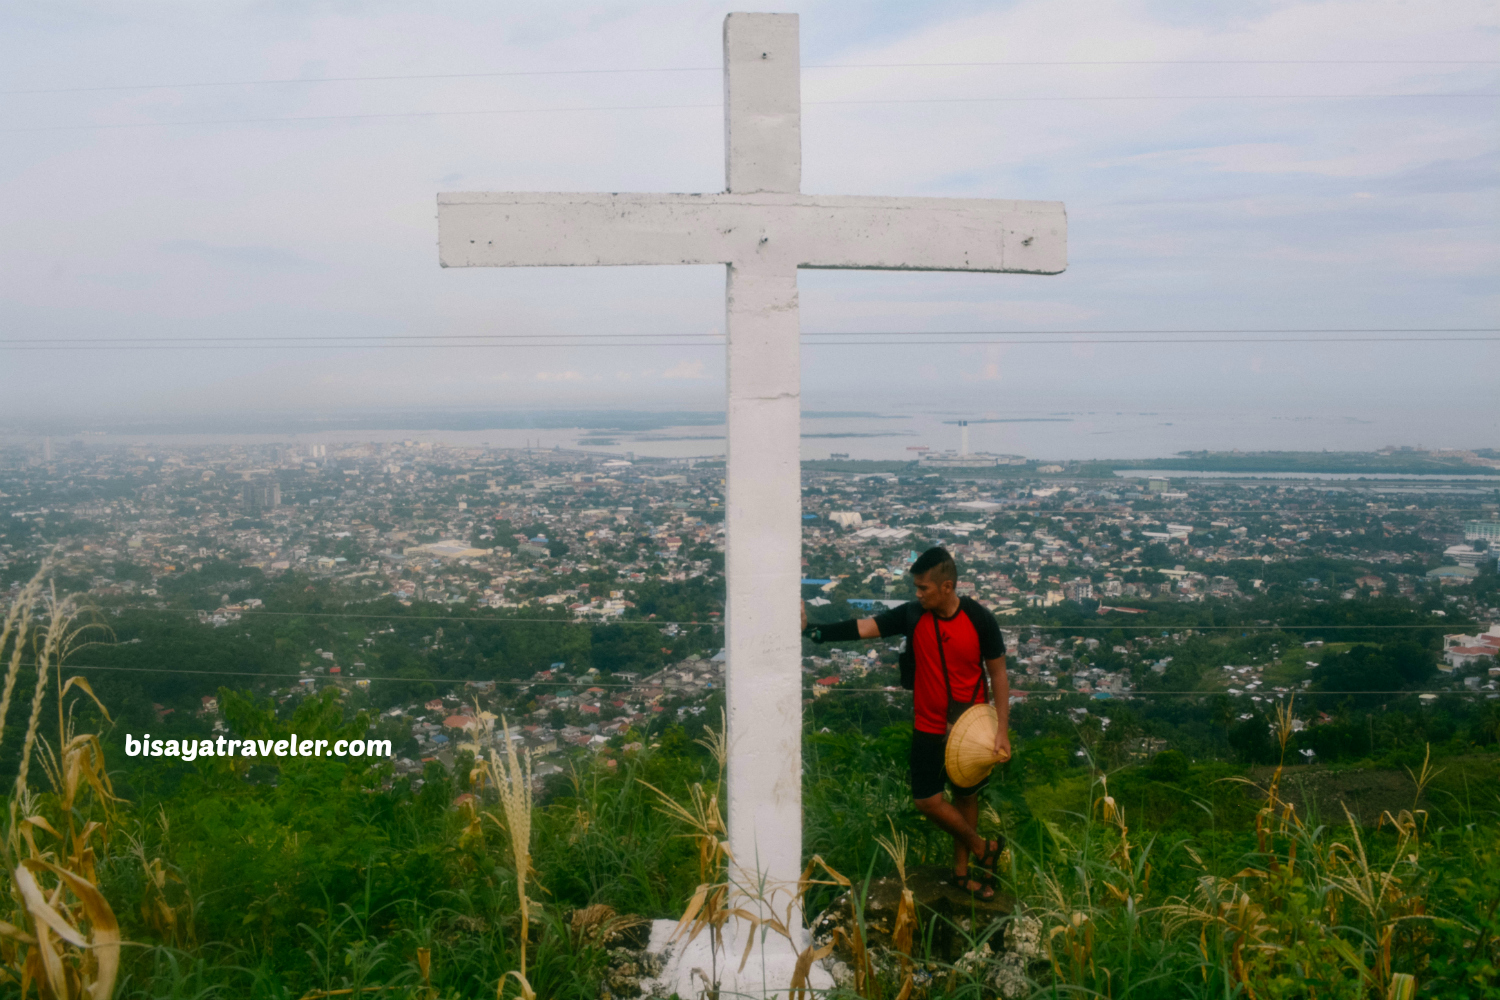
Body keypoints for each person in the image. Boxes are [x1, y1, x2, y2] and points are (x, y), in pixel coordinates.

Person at [802, 546, 1010, 898]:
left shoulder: (979, 619)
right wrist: (812, 632)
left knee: (965, 798)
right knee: (927, 801)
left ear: (947, 586)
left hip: (971, 727)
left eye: (923, 588)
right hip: (927, 724)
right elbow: (864, 627)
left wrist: (1001, 730)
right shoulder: (913, 616)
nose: (917, 594)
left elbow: (999, 675)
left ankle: (962, 875)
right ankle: (982, 847)